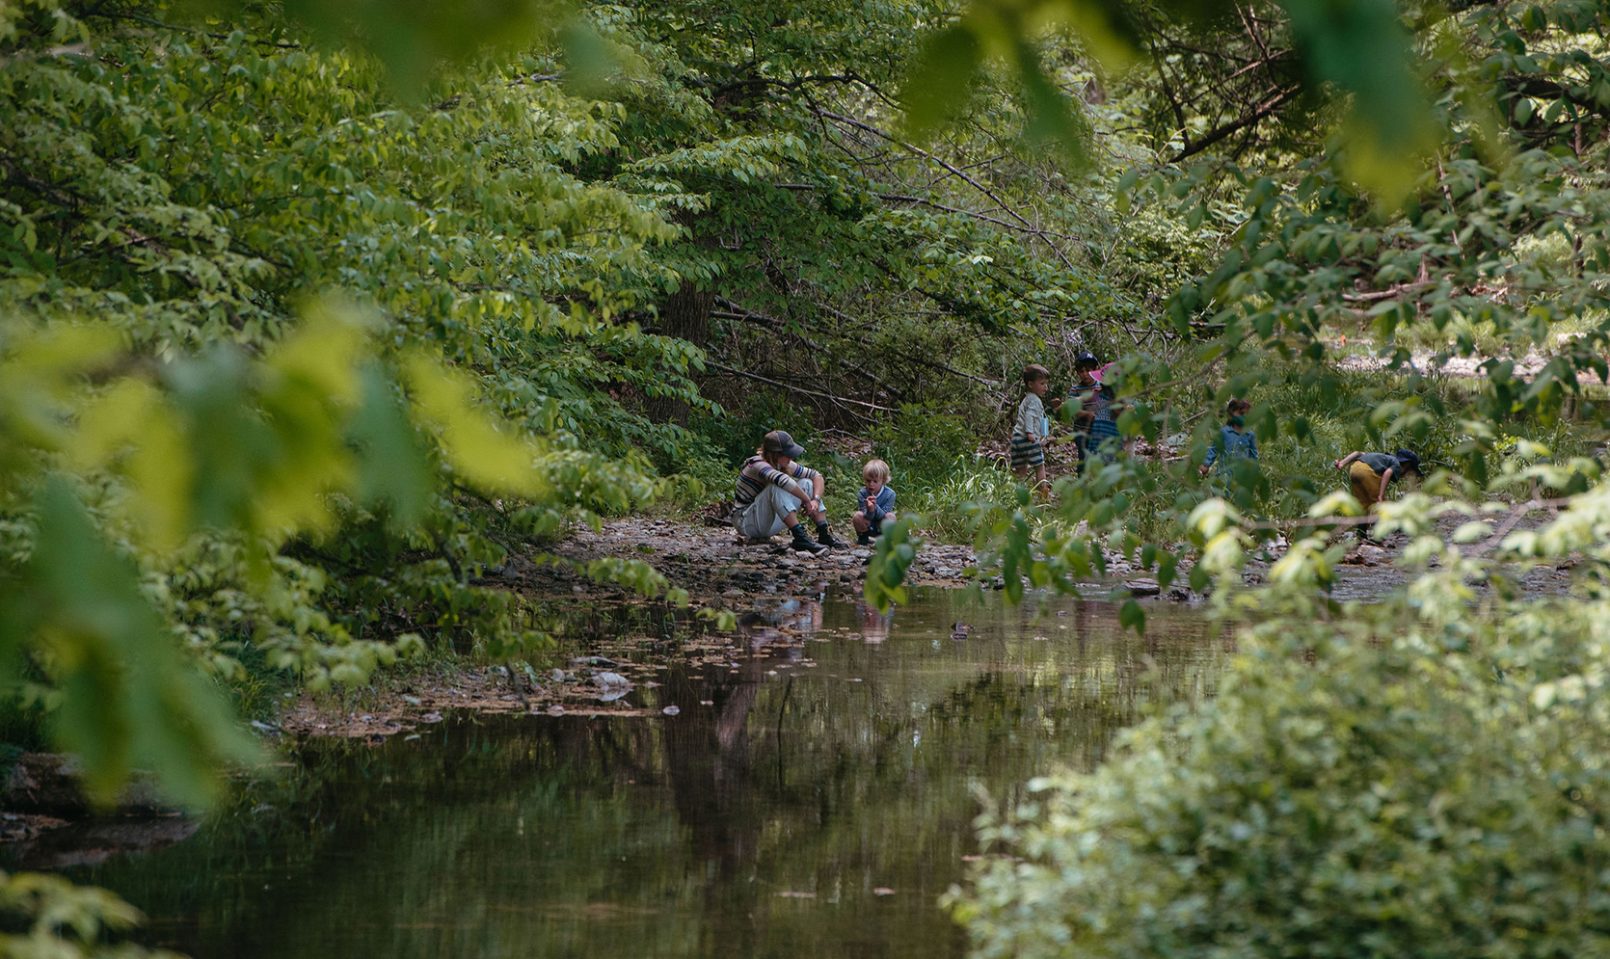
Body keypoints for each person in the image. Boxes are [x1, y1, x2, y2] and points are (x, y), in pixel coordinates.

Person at [733, 430, 846, 553]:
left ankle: (824, 534)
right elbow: (783, 481)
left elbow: (816, 475)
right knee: (775, 488)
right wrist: (806, 500)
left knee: (807, 483)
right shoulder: (757, 464)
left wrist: (816, 500)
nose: (791, 457)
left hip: (766, 522)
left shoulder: (782, 464)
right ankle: (800, 537)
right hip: (745, 522)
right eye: (788, 454)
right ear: (775, 454)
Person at [1334, 447, 1422, 519]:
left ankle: (1361, 534)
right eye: (1409, 472)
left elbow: (1357, 453)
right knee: (1380, 503)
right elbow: (1387, 473)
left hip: (1354, 470)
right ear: (1407, 464)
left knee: (1363, 504)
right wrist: (1380, 495)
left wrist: (1342, 463)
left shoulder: (1379, 457)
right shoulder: (1396, 463)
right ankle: (1380, 533)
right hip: (1366, 471)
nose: (1406, 476)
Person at [1070, 354, 1120, 471]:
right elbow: (1072, 409)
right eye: (1081, 371)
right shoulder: (1075, 389)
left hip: (1097, 430)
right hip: (1081, 430)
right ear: (1077, 372)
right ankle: (1083, 480)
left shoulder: (1100, 387)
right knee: (1083, 457)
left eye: (1088, 370)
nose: (1085, 374)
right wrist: (1086, 414)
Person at [1011, 364, 1051, 493]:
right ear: (1030, 384)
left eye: (1046, 384)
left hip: (1017, 438)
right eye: (1042, 383)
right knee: (1039, 467)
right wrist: (1030, 433)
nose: (1046, 387)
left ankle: (1018, 494)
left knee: (1021, 469)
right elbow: (1029, 416)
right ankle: (1044, 493)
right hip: (1028, 439)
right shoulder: (1035, 400)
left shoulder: (1027, 399)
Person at [1200, 398, 1259, 479]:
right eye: (1241, 413)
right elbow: (1213, 450)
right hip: (1224, 477)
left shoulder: (1250, 435)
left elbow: (1253, 456)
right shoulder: (1224, 432)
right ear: (1231, 413)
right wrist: (1205, 464)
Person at [852, 458, 897, 545]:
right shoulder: (863, 493)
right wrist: (870, 510)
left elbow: (883, 514)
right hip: (868, 523)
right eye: (868, 481)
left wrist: (875, 506)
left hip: (881, 524)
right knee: (857, 516)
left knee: (891, 516)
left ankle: (886, 538)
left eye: (875, 481)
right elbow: (865, 514)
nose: (871, 484)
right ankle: (863, 537)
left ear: (883, 481)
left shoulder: (890, 494)